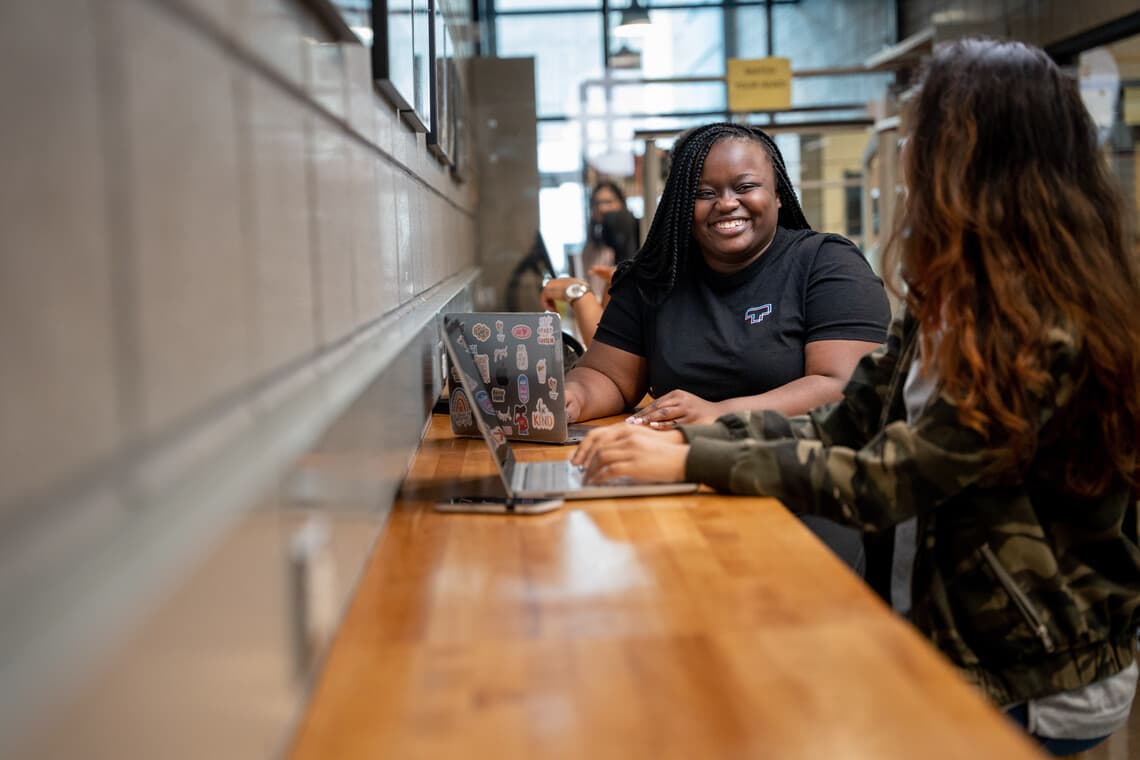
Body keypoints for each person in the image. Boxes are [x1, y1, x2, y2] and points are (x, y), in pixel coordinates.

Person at [574, 39, 1140, 755]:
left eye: (923, 142)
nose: (906, 165)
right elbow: (846, 423)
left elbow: (891, 479)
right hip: (957, 647)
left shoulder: (1041, 322)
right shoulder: (951, 297)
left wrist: (692, 460)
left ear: (979, 163)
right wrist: (687, 442)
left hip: (1033, 677)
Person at [562, 123, 890, 429]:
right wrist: (571, 399)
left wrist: (720, 413)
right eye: (704, 193)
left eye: (745, 186)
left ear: (777, 194)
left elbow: (842, 385)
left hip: (797, 469)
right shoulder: (655, 277)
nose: (727, 203)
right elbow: (608, 377)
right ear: (681, 205)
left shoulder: (828, 263)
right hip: (677, 462)